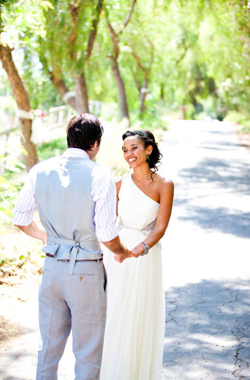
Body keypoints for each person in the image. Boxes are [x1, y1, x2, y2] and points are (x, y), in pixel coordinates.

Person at [12, 113, 131, 380]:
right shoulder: (100, 175)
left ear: (69, 139)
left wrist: (48, 238)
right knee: (87, 354)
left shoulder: (39, 170)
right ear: (96, 144)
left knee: (48, 350)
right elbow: (107, 232)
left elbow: (20, 219)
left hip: (52, 268)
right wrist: (121, 251)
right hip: (86, 272)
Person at [100, 130, 174, 380]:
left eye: (134, 148)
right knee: (115, 308)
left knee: (139, 314)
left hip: (146, 255)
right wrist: (117, 250)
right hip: (118, 254)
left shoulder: (164, 185)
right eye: (124, 150)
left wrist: (142, 248)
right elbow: (106, 221)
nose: (128, 154)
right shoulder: (118, 183)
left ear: (148, 150)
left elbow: (161, 226)